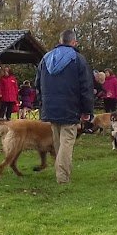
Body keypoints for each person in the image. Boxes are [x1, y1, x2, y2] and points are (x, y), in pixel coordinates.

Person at [35, 29, 94, 184]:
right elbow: (85, 87)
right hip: (70, 107)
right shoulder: (77, 59)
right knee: (66, 143)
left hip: (50, 108)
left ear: (60, 41)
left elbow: (37, 85)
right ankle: (62, 177)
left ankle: (61, 172)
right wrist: (87, 110)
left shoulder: (46, 58)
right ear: (73, 42)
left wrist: (43, 104)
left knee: (58, 142)